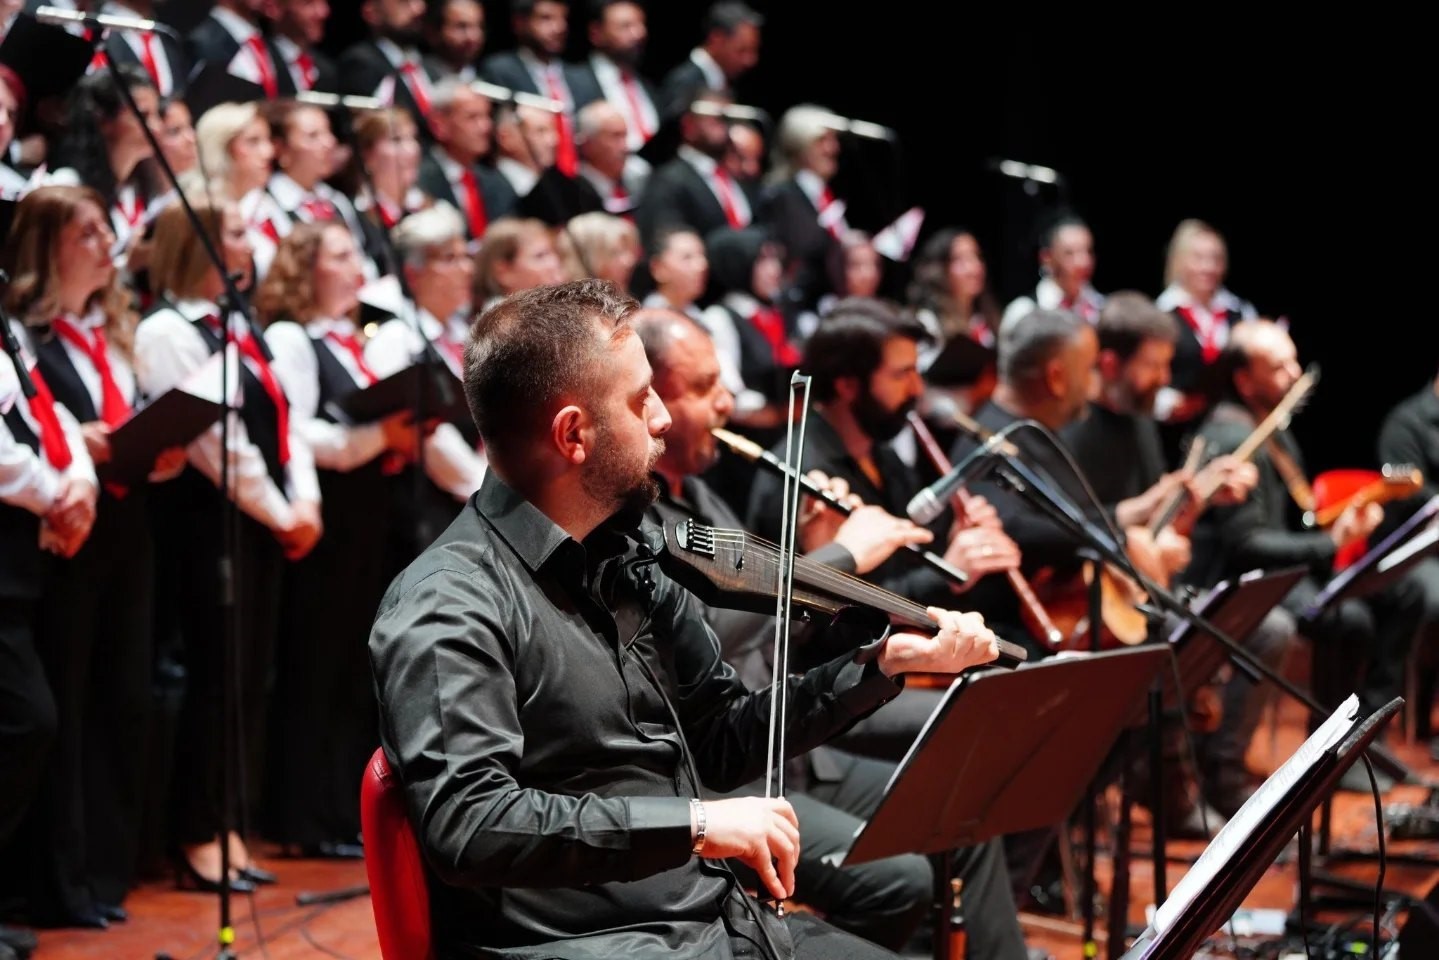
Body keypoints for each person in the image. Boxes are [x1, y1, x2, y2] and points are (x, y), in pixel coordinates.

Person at [369, 279, 1002, 959]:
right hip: (591, 942)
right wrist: (696, 824)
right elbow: (471, 825)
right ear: (573, 433)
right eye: (641, 400)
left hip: (702, 917)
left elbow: (721, 740)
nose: (663, 419)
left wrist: (877, 666)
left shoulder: (630, 556)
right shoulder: (448, 602)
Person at [634, 306, 1029, 958]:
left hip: (790, 738)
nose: (728, 402)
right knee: (898, 879)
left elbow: (776, 637)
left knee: (965, 803)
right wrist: (837, 559)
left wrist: (826, 566)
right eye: (704, 388)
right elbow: (714, 627)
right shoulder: (648, 523)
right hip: (734, 767)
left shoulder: (702, 498)